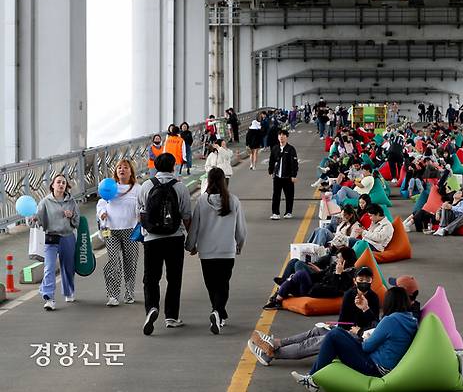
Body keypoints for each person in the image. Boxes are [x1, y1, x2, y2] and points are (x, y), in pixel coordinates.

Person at [291, 287, 418, 390]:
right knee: (339, 333)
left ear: (389, 302)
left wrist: (364, 338)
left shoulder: (391, 320)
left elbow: (367, 347)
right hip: (387, 367)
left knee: (334, 335)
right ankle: (313, 376)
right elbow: (388, 335)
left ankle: (313, 379)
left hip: (375, 367)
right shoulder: (410, 320)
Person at [249, 266, 380, 366]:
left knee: (314, 342)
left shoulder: (373, 298)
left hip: (361, 336)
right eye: (361, 279)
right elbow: (343, 321)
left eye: (367, 280)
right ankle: (276, 343)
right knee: (317, 330)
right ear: (355, 281)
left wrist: (365, 309)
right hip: (346, 330)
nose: (364, 282)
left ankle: (271, 354)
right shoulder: (349, 295)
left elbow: (374, 326)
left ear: (372, 281)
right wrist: (336, 327)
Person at [186, 168, 246, 334]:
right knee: (223, 284)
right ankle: (218, 312)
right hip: (227, 251)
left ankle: (217, 312)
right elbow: (241, 229)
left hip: (206, 252)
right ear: (224, 182)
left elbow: (194, 227)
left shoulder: (202, 201)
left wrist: (190, 245)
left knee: (211, 285)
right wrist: (239, 245)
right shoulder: (233, 201)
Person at [138, 153, 193, 335]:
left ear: (155, 166)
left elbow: (141, 213)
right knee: (174, 278)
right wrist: (191, 241)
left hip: (152, 239)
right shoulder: (180, 187)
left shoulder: (146, 186)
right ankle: (171, 317)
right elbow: (186, 216)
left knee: (151, 278)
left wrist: (145, 232)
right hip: (174, 238)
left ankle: (152, 308)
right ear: (173, 167)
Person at [96, 160, 141, 307]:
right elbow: (101, 203)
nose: (122, 170)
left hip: (131, 231)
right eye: (119, 167)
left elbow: (142, 205)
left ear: (131, 172)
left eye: (125, 167)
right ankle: (113, 295)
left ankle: (129, 293)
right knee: (114, 263)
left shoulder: (137, 189)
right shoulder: (110, 186)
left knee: (130, 264)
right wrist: (102, 213)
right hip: (111, 231)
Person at [34, 175, 80, 311]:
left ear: (66, 186)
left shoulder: (71, 202)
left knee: (68, 267)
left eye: (63, 183)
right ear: (52, 185)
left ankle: (68, 291)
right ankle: (49, 298)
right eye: (58, 182)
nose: (61, 185)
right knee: (49, 268)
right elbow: (38, 221)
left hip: (67, 236)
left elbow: (77, 222)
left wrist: (71, 216)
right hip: (51, 238)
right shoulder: (45, 202)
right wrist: (32, 219)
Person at [263, 247, 357, 310]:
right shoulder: (334, 266)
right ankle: (279, 296)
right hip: (314, 286)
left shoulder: (348, 275)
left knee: (301, 274)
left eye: (338, 258)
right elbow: (321, 275)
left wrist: (338, 274)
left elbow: (335, 290)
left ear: (345, 261)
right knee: (295, 267)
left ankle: (279, 296)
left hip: (314, 291)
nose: (336, 260)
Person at [269, 129, 299, 220]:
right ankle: (275, 213)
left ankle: (288, 212)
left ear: (287, 137)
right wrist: (271, 171)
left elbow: (294, 163)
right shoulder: (275, 148)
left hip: (288, 177)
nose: (281, 137)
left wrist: (294, 175)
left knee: (289, 195)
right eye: (279, 135)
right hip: (277, 176)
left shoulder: (291, 149)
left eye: (283, 135)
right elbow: (271, 160)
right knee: (276, 195)